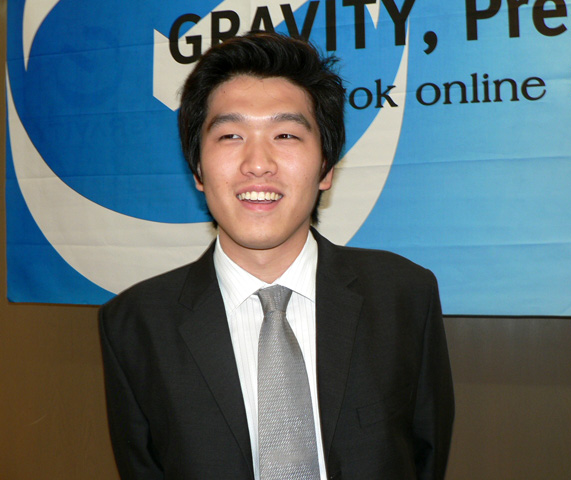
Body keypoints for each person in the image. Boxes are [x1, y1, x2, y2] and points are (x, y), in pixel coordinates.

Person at [99, 31, 454, 480]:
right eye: (230, 135)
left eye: (285, 134)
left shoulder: (404, 296)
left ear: (325, 167)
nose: (258, 163)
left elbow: (426, 455)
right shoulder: (134, 325)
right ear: (198, 170)